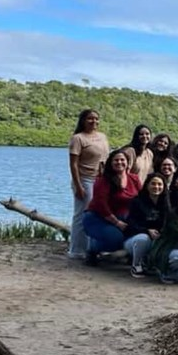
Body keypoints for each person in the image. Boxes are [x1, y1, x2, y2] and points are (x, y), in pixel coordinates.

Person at [83, 149, 143, 266]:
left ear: (127, 163)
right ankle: (92, 249)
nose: (119, 162)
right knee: (116, 239)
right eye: (116, 160)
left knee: (135, 234)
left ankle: (132, 257)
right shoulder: (103, 180)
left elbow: (141, 199)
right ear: (110, 163)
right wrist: (117, 223)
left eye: (122, 160)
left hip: (124, 217)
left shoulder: (134, 179)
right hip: (98, 217)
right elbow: (101, 205)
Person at [67, 109, 109, 260]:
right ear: (83, 120)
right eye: (90, 119)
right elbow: (73, 164)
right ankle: (76, 250)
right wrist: (78, 186)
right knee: (82, 214)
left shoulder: (102, 137)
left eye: (96, 119)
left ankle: (92, 247)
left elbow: (105, 159)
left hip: (100, 180)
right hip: (84, 179)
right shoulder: (78, 139)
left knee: (97, 214)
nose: (94, 122)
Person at [124, 172, 168, 278]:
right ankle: (136, 266)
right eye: (153, 184)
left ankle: (150, 264)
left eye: (159, 184)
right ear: (147, 185)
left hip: (157, 239)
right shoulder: (137, 201)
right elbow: (131, 224)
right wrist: (147, 230)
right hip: (136, 240)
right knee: (143, 239)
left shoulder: (167, 203)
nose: (156, 187)